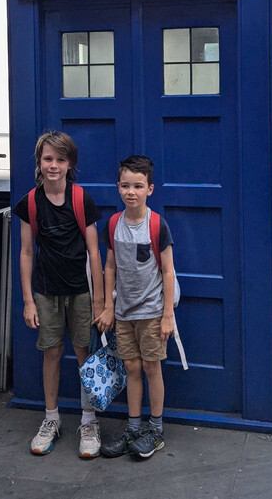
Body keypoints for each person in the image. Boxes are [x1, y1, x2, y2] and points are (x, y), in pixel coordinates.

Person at [14, 131, 104, 459]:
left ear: (70, 164)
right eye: (48, 159)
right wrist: (27, 300)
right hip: (46, 292)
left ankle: (89, 422)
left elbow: (95, 253)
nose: (54, 166)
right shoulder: (30, 203)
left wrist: (100, 300)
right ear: (39, 162)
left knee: (84, 355)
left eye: (60, 160)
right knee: (51, 353)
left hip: (81, 293)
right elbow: (26, 252)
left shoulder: (82, 200)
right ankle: (51, 419)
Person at [96, 155, 175, 459]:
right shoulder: (114, 224)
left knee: (151, 367)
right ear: (118, 187)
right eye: (126, 185)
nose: (131, 191)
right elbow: (110, 267)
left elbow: (168, 271)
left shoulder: (157, 225)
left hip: (152, 312)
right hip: (124, 313)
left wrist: (167, 315)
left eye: (138, 186)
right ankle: (133, 427)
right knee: (131, 367)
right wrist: (107, 307)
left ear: (150, 189)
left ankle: (155, 430)